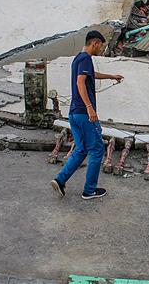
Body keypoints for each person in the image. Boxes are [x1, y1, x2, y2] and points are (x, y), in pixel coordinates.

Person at [51, 30, 123, 200]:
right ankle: (89, 190)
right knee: (97, 149)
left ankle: (60, 180)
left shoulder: (78, 59)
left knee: (81, 148)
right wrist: (90, 108)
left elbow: (90, 75)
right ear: (95, 43)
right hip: (84, 114)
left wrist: (111, 76)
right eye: (100, 46)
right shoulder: (85, 59)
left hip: (74, 113)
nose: (100, 49)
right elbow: (80, 82)